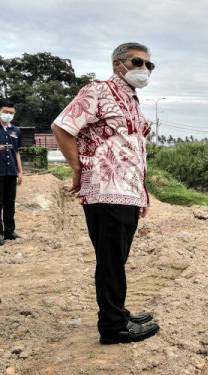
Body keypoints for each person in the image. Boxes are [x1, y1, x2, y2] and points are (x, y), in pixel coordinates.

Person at [52, 42, 159, 344]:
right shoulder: (97, 91)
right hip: (105, 190)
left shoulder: (133, 100)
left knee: (116, 258)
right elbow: (62, 127)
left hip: (128, 191)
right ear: (118, 64)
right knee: (111, 260)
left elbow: (135, 149)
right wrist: (78, 169)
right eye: (138, 62)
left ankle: (118, 313)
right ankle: (113, 327)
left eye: (150, 65)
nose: (144, 69)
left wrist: (143, 191)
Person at [0, 100, 23, 245]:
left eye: (11, 113)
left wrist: (20, 171)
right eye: (5, 112)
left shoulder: (16, 130)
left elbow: (17, 152)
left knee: (10, 202)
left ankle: (9, 231)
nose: (8, 115)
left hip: (11, 171)